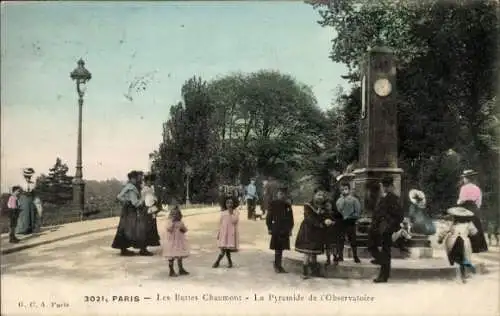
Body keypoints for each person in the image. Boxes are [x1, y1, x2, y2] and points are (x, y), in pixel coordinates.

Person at [367, 176, 404, 283]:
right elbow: (377, 212)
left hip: (387, 229)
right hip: (378, 227)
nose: (386, 188)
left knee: (386, 251)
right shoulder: (382, 197)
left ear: (392, 186)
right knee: (371, 246)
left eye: (388, 186)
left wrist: (390, 225)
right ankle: (380, 260)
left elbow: (399, 216)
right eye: (384, 186)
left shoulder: (393, 198)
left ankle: (383, 276)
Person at [295, 189, 332, 279]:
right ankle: (305, 272)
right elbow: (309, 218)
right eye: (318, 195)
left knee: (314, 252)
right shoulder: (308, 206)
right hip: (308, 230)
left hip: (318, 231)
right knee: (307, 252)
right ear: (314, 195)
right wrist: (321, 224)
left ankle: (314, 271)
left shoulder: (323, 207)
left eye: (322, 195)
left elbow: (326, 216)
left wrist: (329, 220)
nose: (320, 197)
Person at [438, 206, 479, 283]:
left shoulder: (452, 223)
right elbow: (474, 233)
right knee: (463, 258)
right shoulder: (469, 224)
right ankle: (463, 275)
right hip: (464, 242)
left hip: (452, 241)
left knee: (455, 257)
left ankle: (459, 274)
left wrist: (440, 239)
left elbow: (444, 232)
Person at [111, 171, 146, 256]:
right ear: (132, 179)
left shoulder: (127, 186)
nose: (138, 179)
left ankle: (123, 249)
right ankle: (125, 249)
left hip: (126, 210)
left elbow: (119, 196)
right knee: (129, 229)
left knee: (123, 228)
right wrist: (143, 200)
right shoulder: (132, 188)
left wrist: (125, 201)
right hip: (130, 211)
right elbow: (135, 203)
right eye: (136, 178)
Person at [456, 169, 488, 253]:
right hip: (474, 208)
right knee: (476, 226)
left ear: (466, 179)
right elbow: (479, 202)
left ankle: (463, 247)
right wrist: (475, 208)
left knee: (463, 226)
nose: (463, 180)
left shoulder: (464, 188)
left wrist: (458, 202)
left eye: (464, 178)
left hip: (465, 208)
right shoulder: (477, 188)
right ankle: (477, 247)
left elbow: (462, 200)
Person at [266, 185, 294, 273]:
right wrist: (269, 227)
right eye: (280, 193)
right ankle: (277, 265)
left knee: (281, 248)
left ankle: (278, 265)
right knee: (277, 248)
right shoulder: (273, 204)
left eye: (284, 194)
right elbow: (269, 217)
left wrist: (290, 229)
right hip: (277, 228)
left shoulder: (287, 205)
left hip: (285, 229)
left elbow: (291, 218)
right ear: (277, 194)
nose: (282, 196)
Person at [161, 203, 190, 277]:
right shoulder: (169, 222)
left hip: (179, 242)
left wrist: (182, 229)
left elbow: (185, 230)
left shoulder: (180, 222)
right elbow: (169, 229)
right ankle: (171, 270)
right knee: (171, 257)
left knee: (179, 256)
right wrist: (172, 223)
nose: (176, 216)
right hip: (172, 243)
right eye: (174, 215)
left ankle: (181, 269)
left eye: (177, 215)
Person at [336, 182, 362, 263]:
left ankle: (355, 256)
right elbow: (337, 211)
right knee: (340, 239)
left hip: (350, 222)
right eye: (342, 189)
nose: (344, 191)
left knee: (353, 240)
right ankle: (340, 256)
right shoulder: (339, 200)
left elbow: (357, 212)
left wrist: (350, 217)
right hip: (341, 223)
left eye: (346, 189)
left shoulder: (354, 200)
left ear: (349, 190)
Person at [135, 173, 161, 254]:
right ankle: (143, 249)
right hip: (148, 210)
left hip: (150, 209)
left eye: (151, 181)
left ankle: (144, 248)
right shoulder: (146, 189)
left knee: (148, 229)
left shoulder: (149, 189)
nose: (150, 182)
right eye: (149, 181)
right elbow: (145, 200)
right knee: (146, 229)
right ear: (146, 181)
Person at [213, 196, 240, 268]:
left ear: (234, 204)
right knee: (224, 249)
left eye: (231, 203)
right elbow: (220, 224)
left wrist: (231, 214)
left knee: (225, 249)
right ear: (225, 204)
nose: (229, 204)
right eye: (227, 203)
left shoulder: (235, 212)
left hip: (231, 234)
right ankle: (229, 262)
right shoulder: (223, 213)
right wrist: (219, 233)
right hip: (224, 234)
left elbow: (235, 221)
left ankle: (217, 262)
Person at [323, 198, 343, 266]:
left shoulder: (337, 213)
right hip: (327, 232)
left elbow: (340, 222)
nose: (327, 207)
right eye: (326, 206)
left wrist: (334, 222)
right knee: (327, 246)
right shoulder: (324, 213)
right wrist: (324, 222)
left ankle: (335, 257)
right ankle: (328, 259)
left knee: (334, 246)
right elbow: (321, 221)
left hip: (335, 232)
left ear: (332, 205)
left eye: (329, 205)